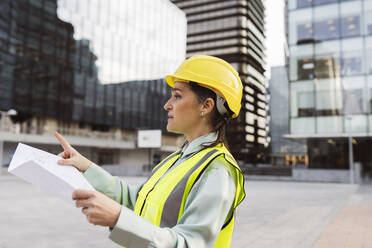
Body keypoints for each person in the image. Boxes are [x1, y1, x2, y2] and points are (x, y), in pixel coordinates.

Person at [55, 55, 246, 248]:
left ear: (206, 106)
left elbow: (189, 244)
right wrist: (85, 167)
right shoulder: (177, 159)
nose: (167, 105)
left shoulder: (217, 171)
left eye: (177, 96)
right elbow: (136, 200)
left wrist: (118, 218)